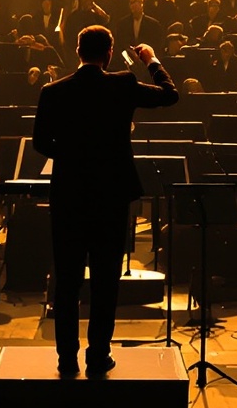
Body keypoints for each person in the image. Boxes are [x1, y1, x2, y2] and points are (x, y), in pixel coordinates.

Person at [32, 25, 179, 377]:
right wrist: (152, 60)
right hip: (111, 194)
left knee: (66, 279)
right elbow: (169, 95)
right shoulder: (123, 83)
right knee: (105, 278)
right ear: (109, 54)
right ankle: (98, 354)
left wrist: (71, 156)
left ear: (78, 51)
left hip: (68, 194)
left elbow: (40, 142)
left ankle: (66, 357)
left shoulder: (53, 91)